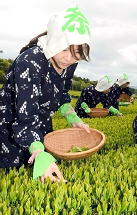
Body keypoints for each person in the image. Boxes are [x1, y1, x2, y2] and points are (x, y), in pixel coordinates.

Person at [0, 5, 91, 182]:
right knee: (12, 174)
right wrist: (38, 150)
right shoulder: (30, 61)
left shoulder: (69, 61)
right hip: (11, 123)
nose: (69, 58)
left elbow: (62, 94)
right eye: (64, 49)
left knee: (39, 171)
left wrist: (73, 118)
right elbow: (26, 115)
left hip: (40, 123)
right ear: (54, 40)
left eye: (77, 53)